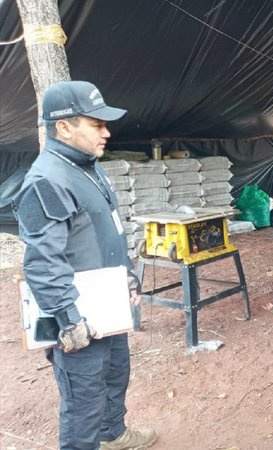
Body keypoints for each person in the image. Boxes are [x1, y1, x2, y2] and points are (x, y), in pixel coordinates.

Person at [13, 80, 157, 450]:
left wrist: (127, 277)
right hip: (78, 316)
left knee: (115, 374)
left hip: (106, 305)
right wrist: (69, 320)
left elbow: (105, 229)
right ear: (63, 127)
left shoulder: (87, 166)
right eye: (96, 124)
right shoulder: (46, 181)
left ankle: (113, 435)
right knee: (84, 403)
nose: (106, 132)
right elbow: (42, 262)